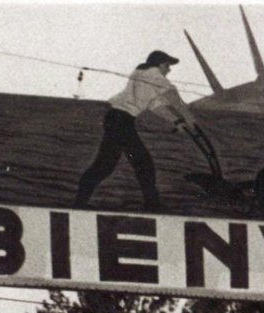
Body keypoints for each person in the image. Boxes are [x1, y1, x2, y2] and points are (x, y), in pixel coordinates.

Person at [73, 50, 197, 212]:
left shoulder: (143, 75)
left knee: (106, 165)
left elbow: (154, 105)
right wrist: (189, 118)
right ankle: (152, 205)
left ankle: (80, 203)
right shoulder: (153, 74)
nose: (169, 70)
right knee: (140, 163)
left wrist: (177, 121)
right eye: (167, 65)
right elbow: (173, 97)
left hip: (117, 119)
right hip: (121, 120)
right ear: (159, 65)